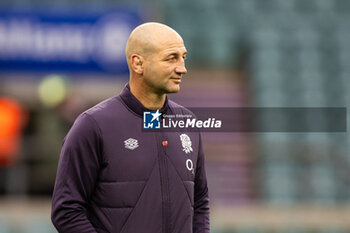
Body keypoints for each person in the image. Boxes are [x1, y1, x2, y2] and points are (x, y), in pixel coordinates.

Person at [51, 22, 210, 233]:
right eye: (171, 58)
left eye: (183, 57)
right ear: (138, 64)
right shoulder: (93, 125)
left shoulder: (187, 123)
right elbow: (67, 211)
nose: (182, 68)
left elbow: (199, 203)